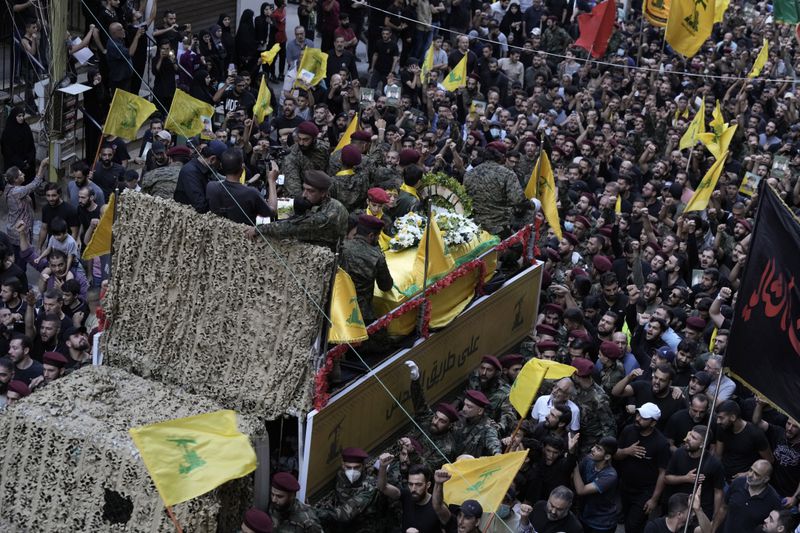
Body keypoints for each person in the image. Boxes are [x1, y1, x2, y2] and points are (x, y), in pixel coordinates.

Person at [248, 170, 348, 250]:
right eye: (304, 189)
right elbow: (276, 211)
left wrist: (258, 229)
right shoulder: (317, 202)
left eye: (310, 191)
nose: (304, 194)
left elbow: (290, 227)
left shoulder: (329, 214)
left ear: (323, 193)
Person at [614, 402, 671, 533]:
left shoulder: (661, 443)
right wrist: (627, 451)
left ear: (653, 423)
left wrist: (654, 499)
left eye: (644, 418)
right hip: (625, 486)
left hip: (645, 492)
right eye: (638, 414)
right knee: (626, 519)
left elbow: (663, 473)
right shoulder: (628, 430)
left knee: (633, 526)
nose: (638, 419)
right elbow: (615, 454)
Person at [315, 447, 384, 532]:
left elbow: (346, 513)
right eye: (348, 467)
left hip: (364, 528)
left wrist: (313, 512)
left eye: (356, 467)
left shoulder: (369, 486)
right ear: (343, 465)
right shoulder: (341, 476)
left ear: (363, 466)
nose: (352, 472)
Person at [340, 214, 393, 323]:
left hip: (338, 307)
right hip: (361, 313)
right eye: (378, 236)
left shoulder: (341, 247)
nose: (378, 239)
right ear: (371, 236)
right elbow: (386, 286)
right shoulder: (376, 257)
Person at [664, 425, 724, 521]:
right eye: (690, 435)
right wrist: (685, 478)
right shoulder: (679, 453)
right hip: (679, 508)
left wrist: (715, 517)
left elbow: (718, 492)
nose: (688, 439)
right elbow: (666, 478)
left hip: (701, 510)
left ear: (702, 445)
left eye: (693, 438)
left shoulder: (714, 463)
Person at [207, 147, 277, 225]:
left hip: (220, 233)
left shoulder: (211, 187)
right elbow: (272, 212)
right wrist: (272, 181)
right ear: (242, 168)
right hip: (243, 235)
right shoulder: (251, 193)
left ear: (222, 166)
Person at [377, 457, 443, 533]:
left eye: (418, 484)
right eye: (410, 484)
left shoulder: (437, 507)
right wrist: (382, 466)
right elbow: (383, 487)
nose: (413, 489)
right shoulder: (407, 495)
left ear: (428, 485)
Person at [714, 399, 773, 482]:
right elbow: (718, 456)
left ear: (733, 417)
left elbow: (769, 460)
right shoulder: (722, 428)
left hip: (745, 482)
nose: (718, 421)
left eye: (721, 418)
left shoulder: (755, 434)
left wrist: (747, 474)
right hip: (724, 478)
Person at [4, 158, 47, 266]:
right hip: (19, 232)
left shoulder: (12, 188)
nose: (23, 174)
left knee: (19, 258)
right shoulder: (16, 191)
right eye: (20, 174)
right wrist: (42, 165)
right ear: (15, 179)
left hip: (16, 230)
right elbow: (35, 183)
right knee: (22, 260)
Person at [572, 436, 619, 533]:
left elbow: (581, 490)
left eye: (598, 449)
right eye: (595, 446)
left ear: (607, 456)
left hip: (602, 524)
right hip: (584, 516)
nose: (592, 449)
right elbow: (574, 476)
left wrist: (574, 464)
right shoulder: (589, 459)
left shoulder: (610, 475)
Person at [719, 460, 781, 533]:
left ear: (766, 479)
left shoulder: (773, 500)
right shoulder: (738, 483)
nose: (750, 475)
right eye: (751, 470)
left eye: (756, 474)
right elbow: (723, 508)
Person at [174, 140, 227, 213]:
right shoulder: (190, 172)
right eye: (220, 163)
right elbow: (200, 205)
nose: (220, 167)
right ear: (212, 159)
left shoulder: (207, 169)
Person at [1, 107, 36, 180]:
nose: (22, 118)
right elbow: (7, 152)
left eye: (23, 115)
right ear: (14, 117)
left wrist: (29, 160)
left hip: (28, 166)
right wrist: (21, 163)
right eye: (19, 116)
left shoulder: (26, 128)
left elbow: (32, 146)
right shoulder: (7, 132)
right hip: (15, 168)